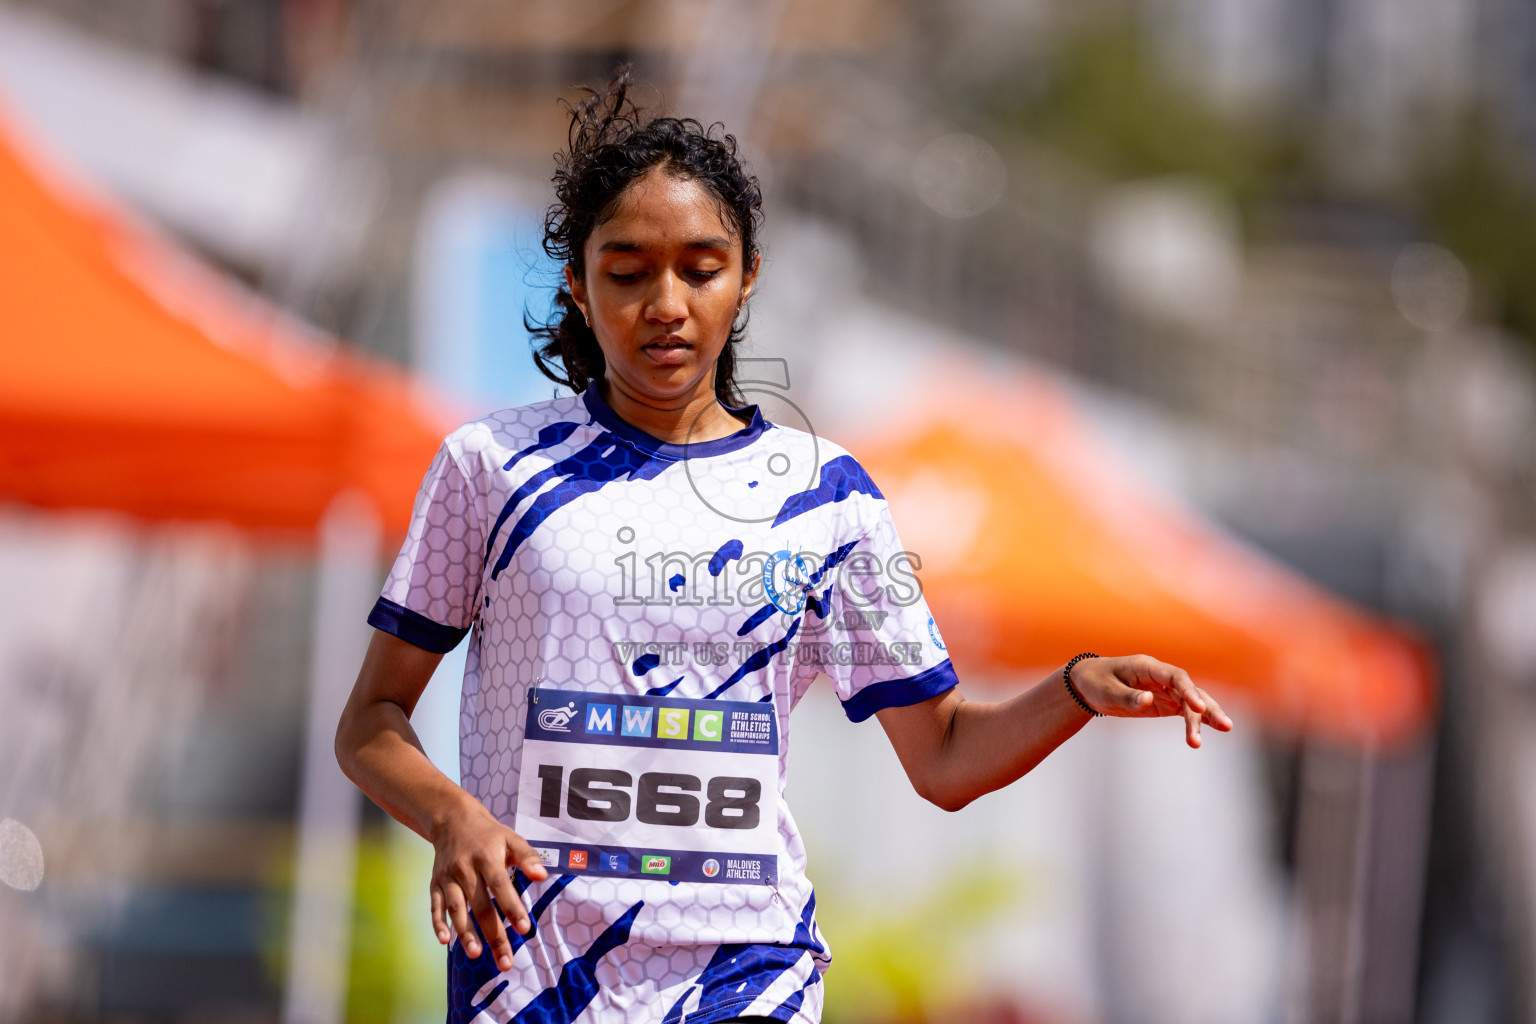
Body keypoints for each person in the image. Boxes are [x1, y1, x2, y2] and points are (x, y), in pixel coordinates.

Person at [334, 67, 1233, 1024]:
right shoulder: (490, 466)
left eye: (701, 267)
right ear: (579, 284)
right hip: (533, 976)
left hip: (746, 980)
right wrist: (452, 815)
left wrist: (1075, 687)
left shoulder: (829, 497)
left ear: (748, 275)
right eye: (628, 271)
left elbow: (946, 758)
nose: (666, 303)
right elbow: (371, 721)